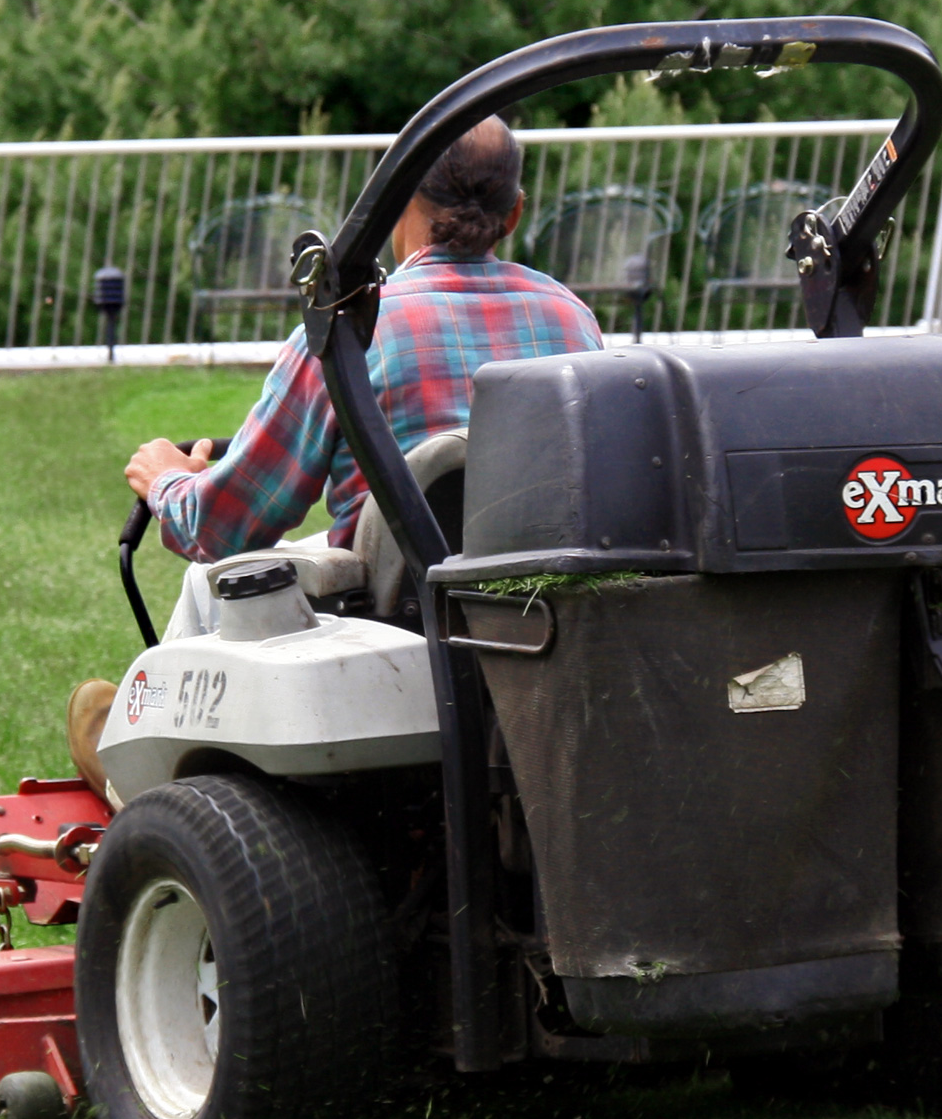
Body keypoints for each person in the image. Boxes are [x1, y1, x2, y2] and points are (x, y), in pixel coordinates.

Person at [67, 116, 602, 791]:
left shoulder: (349, 327)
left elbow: (226, 525)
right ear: (515, 213)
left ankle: (145, 792)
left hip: (400, 609)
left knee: (210, 582)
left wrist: (170, 483)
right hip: (539, 606)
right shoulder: (572, 318)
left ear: (398, 204)